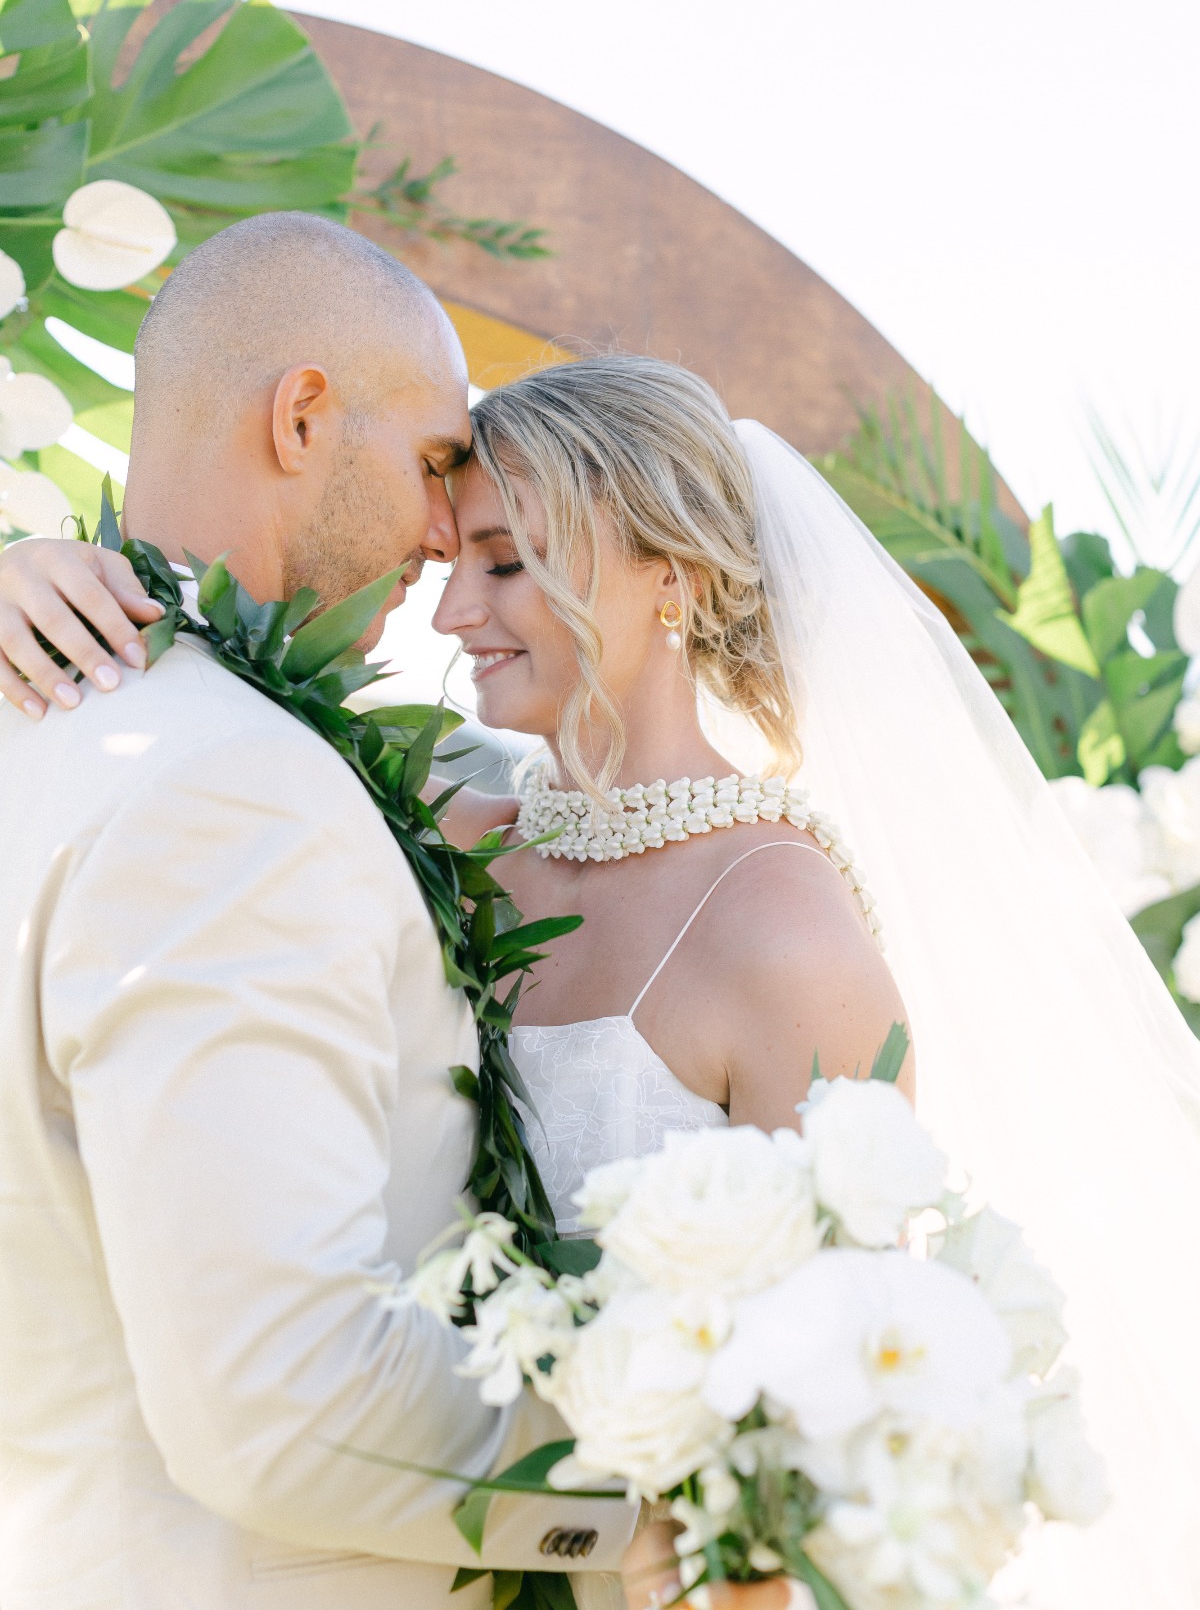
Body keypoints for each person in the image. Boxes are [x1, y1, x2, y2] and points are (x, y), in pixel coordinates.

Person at [5, 354, 1200, 1610]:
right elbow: (216, 738)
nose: (451, 611)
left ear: (668, 577)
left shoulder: (783, 930)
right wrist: (33, 574)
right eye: (454, 559)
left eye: (507, 563)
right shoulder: (424, 829)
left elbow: (813, 1424)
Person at [0, 215, 639, 1610]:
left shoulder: (38, 726)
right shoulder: (227, 782)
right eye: (427, 466)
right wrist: (685, 1471)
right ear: (300, 417)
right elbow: (281, 1401)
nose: (436, 533)